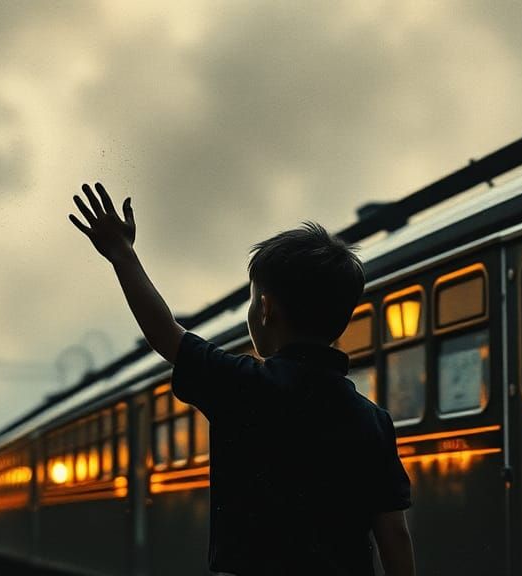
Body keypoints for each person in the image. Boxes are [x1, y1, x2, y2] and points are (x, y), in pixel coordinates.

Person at [69, 182, 416, 575]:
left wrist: (121, 253)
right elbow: (393, 532)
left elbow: (165, 333)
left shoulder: (243, 385)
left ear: (265, 309)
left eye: (253, 300)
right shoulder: (373, 421)